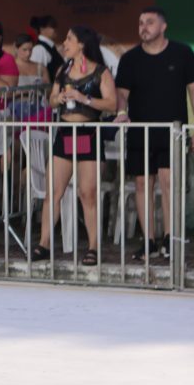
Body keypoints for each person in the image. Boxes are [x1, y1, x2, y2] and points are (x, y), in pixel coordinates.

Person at [115, 6, 194, 261]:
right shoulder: (130, 59)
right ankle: (149, 241)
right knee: (142, 183)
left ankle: (170, 238)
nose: (143, 27)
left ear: (163, 26)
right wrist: (121, 111)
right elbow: (122, 93)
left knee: (169, 183)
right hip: (140, 131)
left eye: (149, 22)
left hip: (172, 132)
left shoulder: (182, 53)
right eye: (140, 22)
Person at [30, 26, 117, 266]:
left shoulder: (100, 72)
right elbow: (51, 100)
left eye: (69, 39)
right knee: (53, 193)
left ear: (82, 44)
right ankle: (44, 244)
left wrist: (84, 98)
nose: (64, 43)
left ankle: (93, 247)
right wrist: (58, 98)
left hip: (89, 132)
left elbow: (112, 104)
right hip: (65, 132)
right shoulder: (63, 70)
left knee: (87, 193)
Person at [29, 14, 65, 83]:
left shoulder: (52, 48)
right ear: (42, 29)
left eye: (56, 26)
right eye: (52, 26)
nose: (55, 29)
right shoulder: (39, 49)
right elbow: (36, 76)